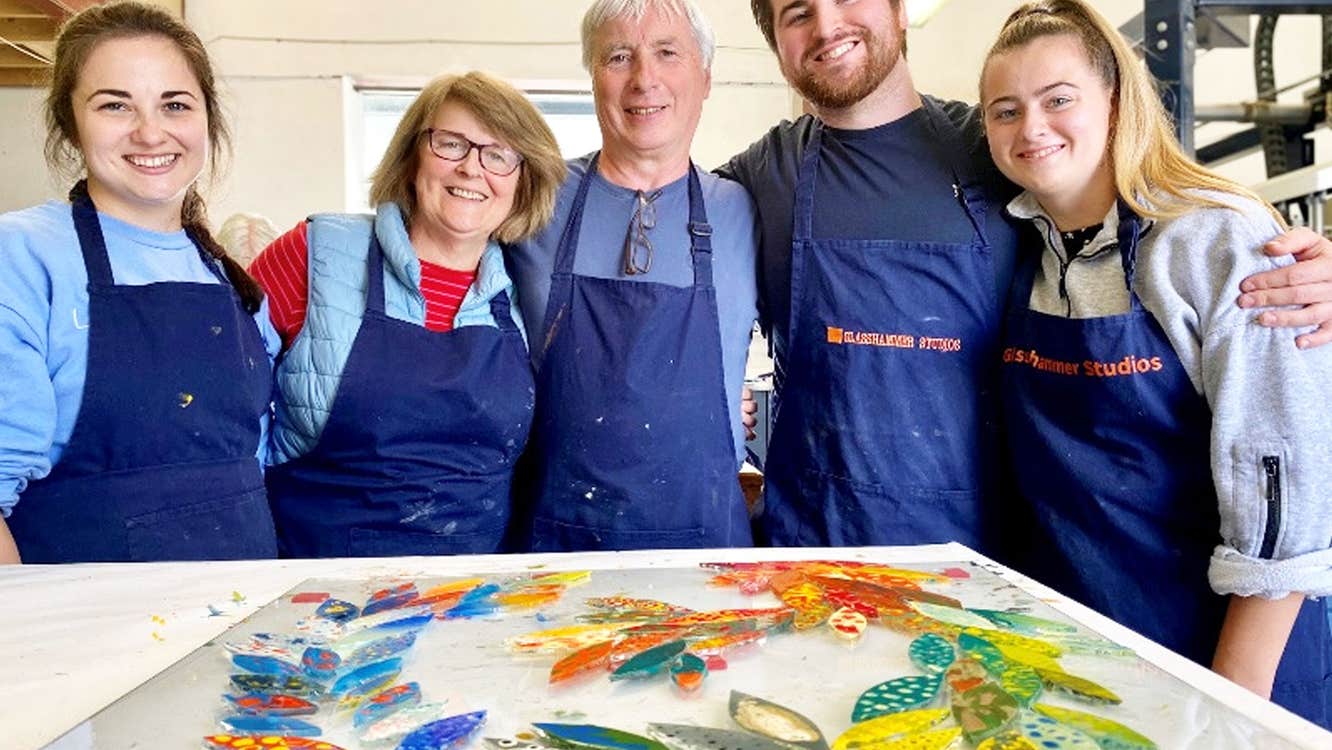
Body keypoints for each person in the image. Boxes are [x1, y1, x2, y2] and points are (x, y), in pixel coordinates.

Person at [725, 0, 1332, 552]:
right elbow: (656, 231)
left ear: (899, 8)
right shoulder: (763, 175)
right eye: (797, 13)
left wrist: (1298, 264)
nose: (827, 25)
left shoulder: (1000, 150)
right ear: (776, 43)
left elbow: (1170, 215)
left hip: (990, 562)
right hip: (811, 548)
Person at [980, 0, 1331, 725]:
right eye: (1004, 111)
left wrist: (1231, 707)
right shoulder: (1025, 252)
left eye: (1058, 100)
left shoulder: (1213, 240)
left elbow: (1288, 487)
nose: (1032, 128)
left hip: (1227, 656)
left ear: (1116, 100)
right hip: (1086, 652)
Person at [0, 1, 282, 564]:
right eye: (114, 105)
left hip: (236, 619)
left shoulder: (229, 279)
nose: (151, 132)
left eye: (175, 104)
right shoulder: (22, 256)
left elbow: (256, 462)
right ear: (70, 123)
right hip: (84, 629)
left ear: (206, 118)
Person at [248, 72, 565, 558]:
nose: (470, 169)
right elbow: (225, 418)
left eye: (498, 155)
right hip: (314, 592)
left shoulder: (531, 294)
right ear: (413, 155)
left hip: (474, 598)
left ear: (523, 183)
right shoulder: (316, 254)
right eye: (450, 144)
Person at [507, 0, 759, 551]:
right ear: (593, 77)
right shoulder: (531, 200)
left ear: (706, 77)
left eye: (667, 53)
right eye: (618, 56)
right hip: (552, 548)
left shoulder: (745, 208)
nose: (644, 80)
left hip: (704, 546)